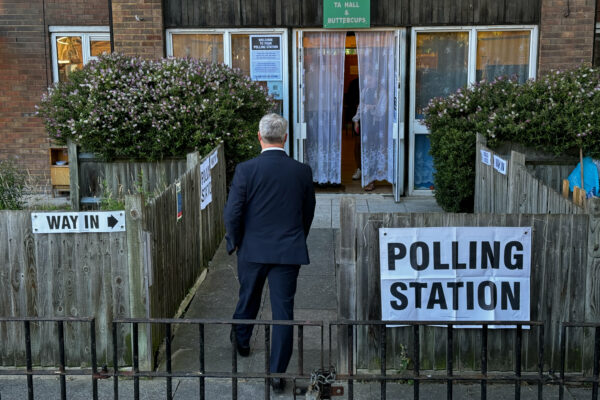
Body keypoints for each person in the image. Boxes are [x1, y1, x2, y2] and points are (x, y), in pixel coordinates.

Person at [224, 113, 316, 394]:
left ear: (259, 137)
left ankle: (241, 340)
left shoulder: (246, 170)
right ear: (285, 138)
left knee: (248, 296)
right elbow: (308, 212)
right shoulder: (301, 171)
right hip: (287, 252)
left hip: (252, 250)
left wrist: (234, 242)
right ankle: (277, 373)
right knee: (283, 312)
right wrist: (297, 238)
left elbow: (233, 213)